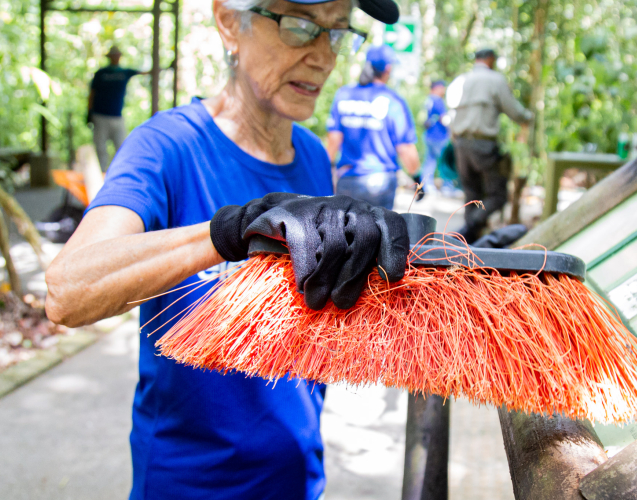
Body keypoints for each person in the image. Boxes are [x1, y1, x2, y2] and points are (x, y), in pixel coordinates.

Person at [44, 0, 406, 498]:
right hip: (190, 483)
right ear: (228, 21)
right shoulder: (167, 146)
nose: (324, 56)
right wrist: (228, 232)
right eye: (300, 26)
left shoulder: (315, 157)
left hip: (297, 477)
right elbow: (67, 289)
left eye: (338, 32)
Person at [449, 48, 533, 241]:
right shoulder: (495, 80)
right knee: (498, 196)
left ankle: (466, 243)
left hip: (461, 144)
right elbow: (514, 110)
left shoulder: (462, 80)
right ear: (490, 59)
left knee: (471, 196)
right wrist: (529, 118)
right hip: (482, 145)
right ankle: (465, 231)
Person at [325, 44, 420, 209]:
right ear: (388, 69)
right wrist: (418, 179)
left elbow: (334, 140)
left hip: (347, 180)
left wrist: (328, 171)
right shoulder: (394, 101)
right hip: (381, 183)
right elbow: (405, 148)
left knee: (342, 233)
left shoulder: (344, 94)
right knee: (378, 233)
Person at [87, 46, 147, 171]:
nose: (116, 57)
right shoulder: (101, 73)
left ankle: (119, 175)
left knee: (121, 147)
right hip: (100, 116)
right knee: (100, 149)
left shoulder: (124, 72)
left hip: (117, 116)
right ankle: (101, 176)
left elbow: (146, 72)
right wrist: (89, 112)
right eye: (113, 55)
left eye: (117, 54)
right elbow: (92, 93)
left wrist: (166, 68)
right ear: (109, 57)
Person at [420, 79, 447, 196]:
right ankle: (447, 188)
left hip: (428, 135)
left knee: (429, 161)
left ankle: (425, 185)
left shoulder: (428, 100)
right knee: (444, 162)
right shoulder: (438, 100)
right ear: (437, 88)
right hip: (438, 136)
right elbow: (444, 119)